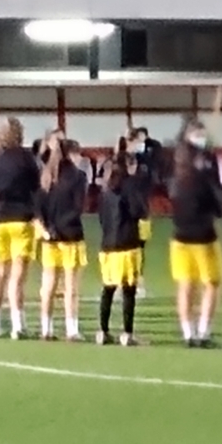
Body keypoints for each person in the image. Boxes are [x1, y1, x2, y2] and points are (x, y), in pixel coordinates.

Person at [0, 118, 41, 340]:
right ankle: (18, 325)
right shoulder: (26, 158)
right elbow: (35, 188)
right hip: (21, 219)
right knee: (17, 276)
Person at [168, 126, 222, 347]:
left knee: (185, 285)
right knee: (211, 284)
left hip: (179, 237)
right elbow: (219, 205)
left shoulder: (175, 177)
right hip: (203, 237)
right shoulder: (202, 179)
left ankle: (187, 332)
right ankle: (203, 331)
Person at [34, 134, 90, 341]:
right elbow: (77, 208)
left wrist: (48, 229)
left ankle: (46, 328)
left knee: (48, 285)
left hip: (50, 238)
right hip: (71, 236)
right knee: (71, 287)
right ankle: (71, 329)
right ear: (72, 154)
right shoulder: (78, 177)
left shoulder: (46, 175)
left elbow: (38, 208)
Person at [94, 148, 146, 346]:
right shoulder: (129, 187)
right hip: (127, 243)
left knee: (108, 289)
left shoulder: (105, 190)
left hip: (107, 246)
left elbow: (101, 217)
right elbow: (138, 211)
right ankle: (127, 333)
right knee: (128, 290)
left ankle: (103, 331)